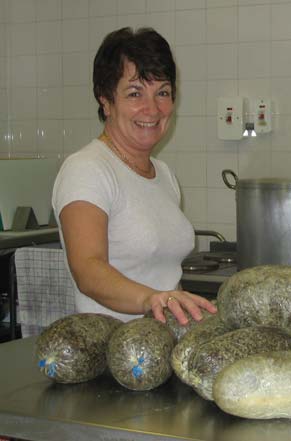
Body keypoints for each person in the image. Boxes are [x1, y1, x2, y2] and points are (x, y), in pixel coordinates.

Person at [52, 27, 216, 325]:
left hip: (165, 345)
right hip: (113, 352)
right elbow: (88, 269)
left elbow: (165, 277)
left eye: (163, 92)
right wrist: (151, 300)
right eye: (135, 93)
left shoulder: (163, 174)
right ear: (106, 100)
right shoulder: (87, 168)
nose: (152, 109)